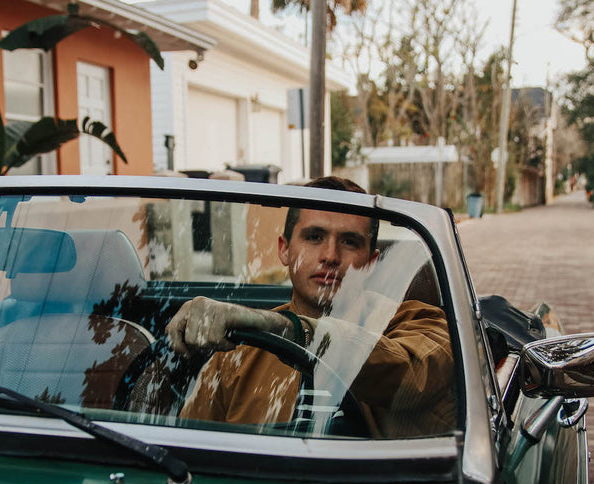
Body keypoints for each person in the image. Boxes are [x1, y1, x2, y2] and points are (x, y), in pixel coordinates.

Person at [167, 176, 455, 438]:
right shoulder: (237, 352)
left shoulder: (421, 322)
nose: (330, 255)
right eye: (314, 237)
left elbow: (411, 375)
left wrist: (292, 331)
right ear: (284, 249)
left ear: (370, 263)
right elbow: (190, 447)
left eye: (350, 241)